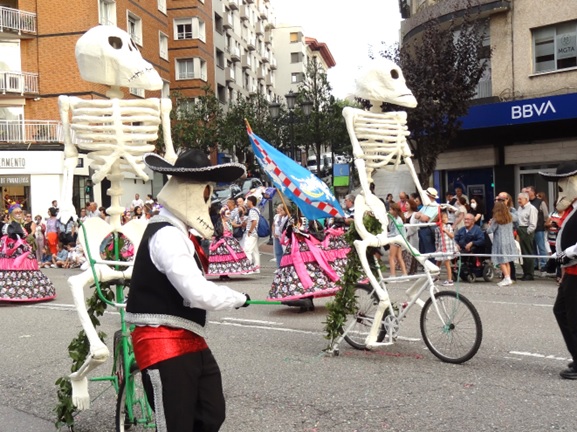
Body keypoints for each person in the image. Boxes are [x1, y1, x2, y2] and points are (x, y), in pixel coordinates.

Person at [125, 149, 250, 430]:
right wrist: (237, 299)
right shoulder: (167, 234)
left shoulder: (178, 231)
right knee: (176, 424)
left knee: (211, 411)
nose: (209, 204)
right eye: (207, 195)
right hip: (162, 343)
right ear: (195, 192)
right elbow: (196, 292)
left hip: (189, 337)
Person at [539, 162, 577, 379]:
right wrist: (555, 258)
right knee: (561, 311)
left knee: (573, 317)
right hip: (570, 271)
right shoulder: (573, 207)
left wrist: (560, 257)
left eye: (562, 186)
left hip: (576, 272)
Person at [0, 203, 56, 302]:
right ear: (11, 214)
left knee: (24, 269)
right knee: (13, 269)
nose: (18, 214)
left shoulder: (19, 225)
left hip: (19, 249)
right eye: (16, 212)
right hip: (14, 250)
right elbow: (14, 236)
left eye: (20, 212)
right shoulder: (12, 225)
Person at [206, 201, 257, 280]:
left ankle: (227, 273)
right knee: (223, 259)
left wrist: (239, 224)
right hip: (222, 242)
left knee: (230, 259)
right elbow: (217, 233)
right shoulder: (220, 223)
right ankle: (223, 275)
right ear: (223, 214)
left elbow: (232, 227)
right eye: (227, 214)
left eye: (229, 213)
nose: (229, 215)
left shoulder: (228, 222)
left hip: (230, 241)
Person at [487, 201, 517, 287]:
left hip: (500, 241)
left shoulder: (496, 219)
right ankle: (508, 278)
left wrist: (489, 225)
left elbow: (490, 230)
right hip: (509, 241)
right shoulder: (509, 217)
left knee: (501, 261)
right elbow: (517, 219)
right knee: (507, 260)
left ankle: (507, 277)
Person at [517, 192, 538, 281]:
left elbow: (533, 224)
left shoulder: (532, 208)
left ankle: (529, 273)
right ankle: (525, 272)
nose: (518, 201)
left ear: (526, 199)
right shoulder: (519, 208)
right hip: (519, 229)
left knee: (527, 252)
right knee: (520, 252)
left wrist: (527, 232)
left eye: (520, 199)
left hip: (526, 231)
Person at [414, 187, 440, 257]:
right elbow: (416, 215)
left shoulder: (434, 206)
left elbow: (425, 218)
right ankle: (425, 266)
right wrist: (420, 216)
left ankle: (431, 266)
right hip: (422, 229)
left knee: (429, 250)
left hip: (428, 230)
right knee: (423, 250)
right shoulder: (426, 205)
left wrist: (420, 216)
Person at [434, 211, 455, 286]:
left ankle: (450, 279)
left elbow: (452, 236)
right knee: (438, 262)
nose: (447, 218)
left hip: (447, 247)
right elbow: (436, 240)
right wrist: (436, 248)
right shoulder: (437, 229)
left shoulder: (448, 226)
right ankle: (436, 276)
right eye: (445, 217)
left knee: (447, 263)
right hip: (440, 247)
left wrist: (445, 231)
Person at [387, 202, 408, 278]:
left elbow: (395, 232)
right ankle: (405, 274)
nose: (389, 211)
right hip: (399, 239)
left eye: (390, 210)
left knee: (391, 257)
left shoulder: (397, 220)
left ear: (395, 211)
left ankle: (393, 275)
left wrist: (387, 235)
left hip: (395, 239)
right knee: (399, 257)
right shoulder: (395, 219)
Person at [242, 195, 261, 272]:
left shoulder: (252, 211)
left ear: (251, 202)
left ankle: (248, 269)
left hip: (251, 233)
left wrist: (249, 231)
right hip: (254, 233)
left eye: (247, 201)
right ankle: (257, 267)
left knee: (247, 250)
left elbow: (254, 221)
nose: (246, 203)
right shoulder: (256, 210)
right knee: (255, 251)